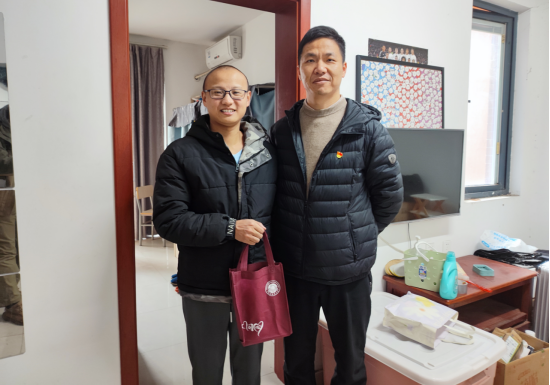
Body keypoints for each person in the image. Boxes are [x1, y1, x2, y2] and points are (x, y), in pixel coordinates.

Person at [270, 26, 404, 385]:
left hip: (348, 273)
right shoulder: (282, 131)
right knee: (296, 362)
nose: (320, 67)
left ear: (343, 68)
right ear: (300, 70)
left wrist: (354, 234)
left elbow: (390, 197)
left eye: (329, 59)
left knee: (350, 364)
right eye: (310, 60)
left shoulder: (368, 129)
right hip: (295, 270)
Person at [153, 65, 277, 385]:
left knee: (249, 373)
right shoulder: (179, 154)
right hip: (203, 285)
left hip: (255, 280)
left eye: (236, 92)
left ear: (248, 98)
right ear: (204, 99)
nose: (228, 100)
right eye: (218, 92)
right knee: (206, 373)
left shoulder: (268, 152)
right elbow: (169, 220)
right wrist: (230, 228)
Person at [0, 105, 22, 326]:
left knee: (20, 247)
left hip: (21, 193)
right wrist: (27, 153)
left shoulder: (23, 125)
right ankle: (12, 304)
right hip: (3, 195)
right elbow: (2, 163)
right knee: (6, 249)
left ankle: (13, 293)